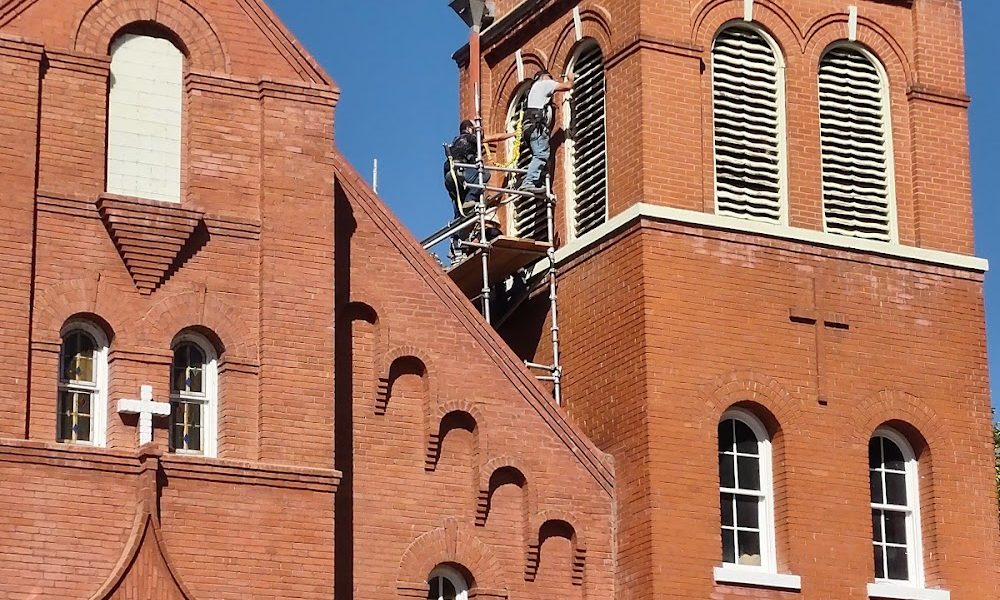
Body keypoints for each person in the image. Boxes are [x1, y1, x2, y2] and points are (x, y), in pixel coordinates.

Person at [519, 69, 575, 194]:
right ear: (544, 77)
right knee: (541, 155)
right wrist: (570, 78)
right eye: (551, 77)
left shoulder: (532, 93)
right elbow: (567, 86)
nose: (552, 81)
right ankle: (529, 181)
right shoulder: (544, 83)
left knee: (540, 156)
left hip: (529, 128)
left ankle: (538, 182)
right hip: (537, 127)